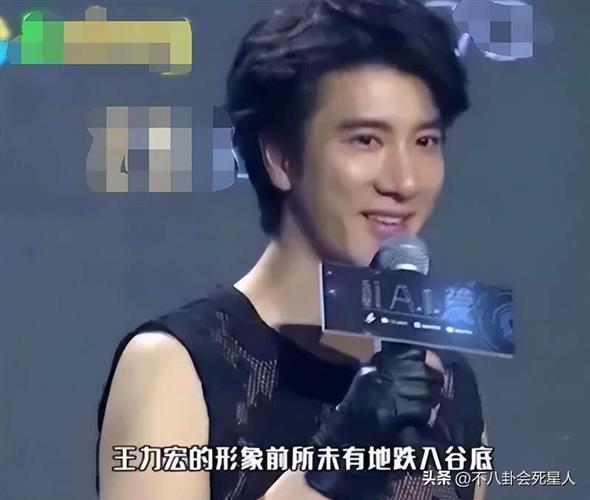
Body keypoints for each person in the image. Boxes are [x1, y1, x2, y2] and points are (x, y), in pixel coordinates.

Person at [97, 0, 489, 499]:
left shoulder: (448, 387)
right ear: (280, 156)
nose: (405, 181)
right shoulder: (174, 365)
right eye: (366, 140)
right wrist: (339, 457)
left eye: (426, 141)